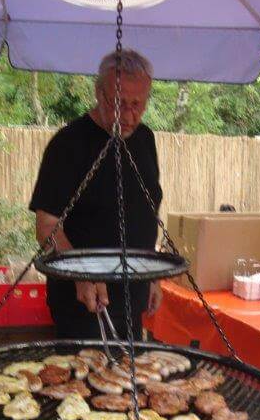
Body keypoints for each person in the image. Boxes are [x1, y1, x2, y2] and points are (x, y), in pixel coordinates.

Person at [29, 49, 163, 340]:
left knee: (130, 381)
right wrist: (81, 274)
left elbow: (146, 212)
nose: (129, 116)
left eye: (138, 104)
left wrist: (152, 279)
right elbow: (47, 226)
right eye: (119, 104)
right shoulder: (67, 145)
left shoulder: (145, 139)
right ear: (99, 93)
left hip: (133, 296)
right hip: (83, 303)